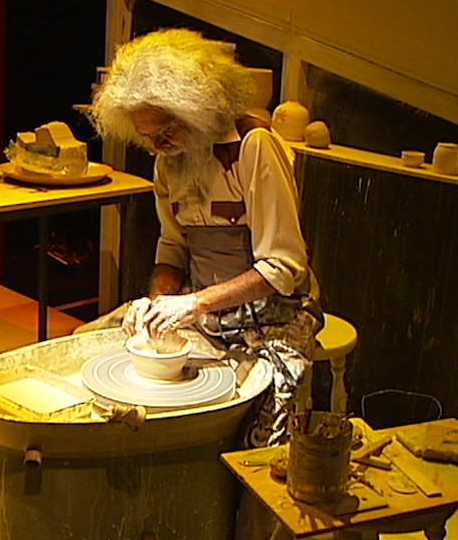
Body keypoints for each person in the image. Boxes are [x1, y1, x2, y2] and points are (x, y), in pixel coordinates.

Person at [88, 28, 323, 449]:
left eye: (165, 132)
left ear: (197, 108)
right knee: (90, 346)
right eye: (147, 137)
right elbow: (173, 248)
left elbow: (284, 268)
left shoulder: (253, 147)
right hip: (204, 310)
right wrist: (160, 301)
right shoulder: (168, 164)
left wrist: (195, 303)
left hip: (274, 316)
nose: (158, 147)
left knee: (265, 426)